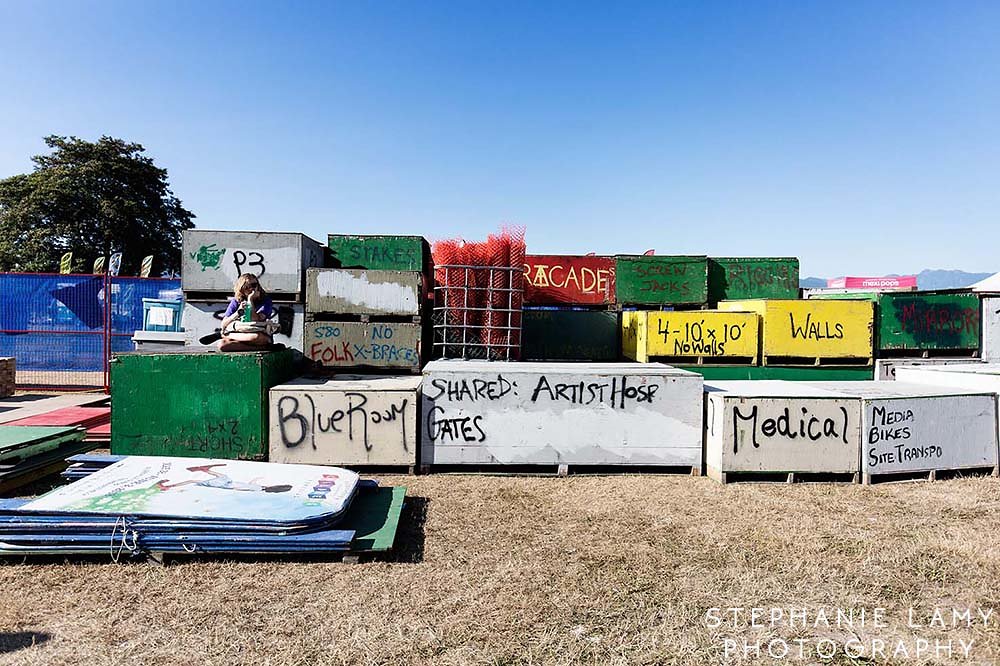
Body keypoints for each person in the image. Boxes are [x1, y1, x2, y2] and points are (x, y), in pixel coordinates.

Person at [217, 273, 277, 351]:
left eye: (254, 285)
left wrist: (250, 300)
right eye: (247, 287)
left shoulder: (265, 301)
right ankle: (261, 348)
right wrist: (237, 313)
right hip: (241, 334)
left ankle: (226, 335)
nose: (251, 289)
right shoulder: (236, 301)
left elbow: (255, 319)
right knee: (222, 345)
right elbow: (223, 324)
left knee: (255, 337)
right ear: (241, 288)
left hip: (259, 335)